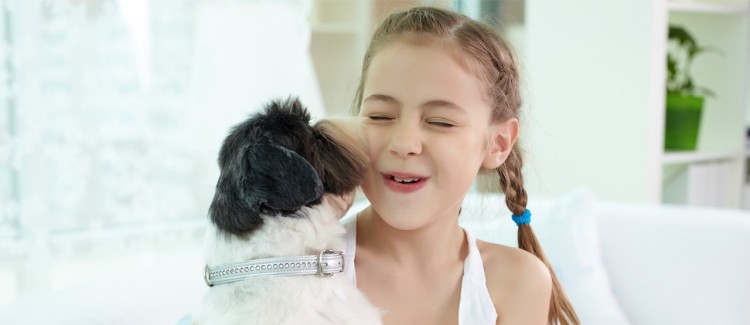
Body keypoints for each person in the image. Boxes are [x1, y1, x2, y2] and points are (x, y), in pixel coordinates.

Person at [341, 6, 580, 325]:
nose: (403, 143)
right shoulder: (297, 265)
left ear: (498, 144)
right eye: (380, 116)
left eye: (440, 122)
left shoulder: (516, 283)